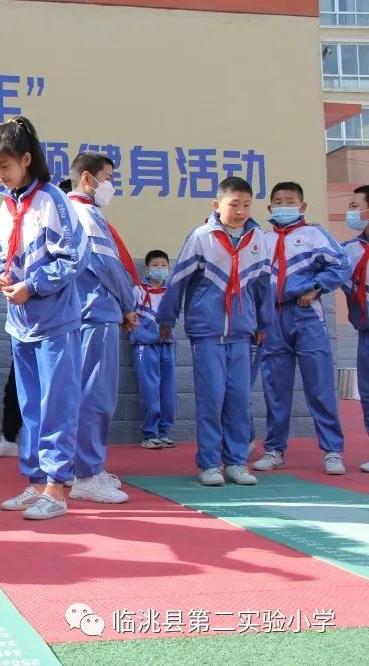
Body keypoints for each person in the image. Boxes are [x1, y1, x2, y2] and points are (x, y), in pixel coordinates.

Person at [0, 116, 87, 521]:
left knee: (55, 405)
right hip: (20, 322)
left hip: (54, 321)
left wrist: (33, 285)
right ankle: (34, 482)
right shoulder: (6, 204)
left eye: (5, 165)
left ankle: (57, 488)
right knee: (29, 406)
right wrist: (2, 277)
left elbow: (74, 257)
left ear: (26, 159)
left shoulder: (52, 200)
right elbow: (5, 255)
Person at [157, 177, 271, 487]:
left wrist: (264, 323)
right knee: (211, 400)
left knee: (239, 400)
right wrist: (166, 317)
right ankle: (209, 464)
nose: (240, 211)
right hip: (207, 333)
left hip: (241, 333)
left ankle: (236, 462)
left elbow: (263, 286)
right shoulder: (201, 237)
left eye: (246, 205)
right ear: (217, 205)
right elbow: (178, 279)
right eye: (234, 204)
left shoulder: (258, 239)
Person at [253, 181, 348, 475]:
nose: (284, 206)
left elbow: (340, 265)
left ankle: (332, 451)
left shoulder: (314, 234)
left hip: (306, 315)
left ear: (302, 206)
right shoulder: (262, 239)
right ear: (270, 207)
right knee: (275, 388)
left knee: (319, 385)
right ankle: (274, 449)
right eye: (278, 202)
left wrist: (316, 287)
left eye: (290, 201)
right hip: (273, 319)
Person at [64, 153, 136, 504]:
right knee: (96, 396)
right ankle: (88, 474)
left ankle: (78, 467)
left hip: (79, 313)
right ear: (88, 178)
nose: (110, 185)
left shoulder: (65, 211)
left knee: (78, 394)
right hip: (96, 311)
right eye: (107, 178)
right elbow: (108, 265)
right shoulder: (86, 213)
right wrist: (128, 303)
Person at [132, 250, 177, 449]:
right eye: (155, 265)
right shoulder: (138, 291)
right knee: (150, 390)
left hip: (167, 345)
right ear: (147, 269)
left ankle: (164, 431)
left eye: (163, 265)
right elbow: (129, 316)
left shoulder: (171, 292)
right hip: (145, 346)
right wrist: (143, 335)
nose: (160, 268)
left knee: (167, 390)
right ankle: (149, 434)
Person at [339, 184, 369, 474]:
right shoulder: (349, 249)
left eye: (354, 206)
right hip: (366, 329)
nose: (350, 212)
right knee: (368, 392)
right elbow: (336, 276)